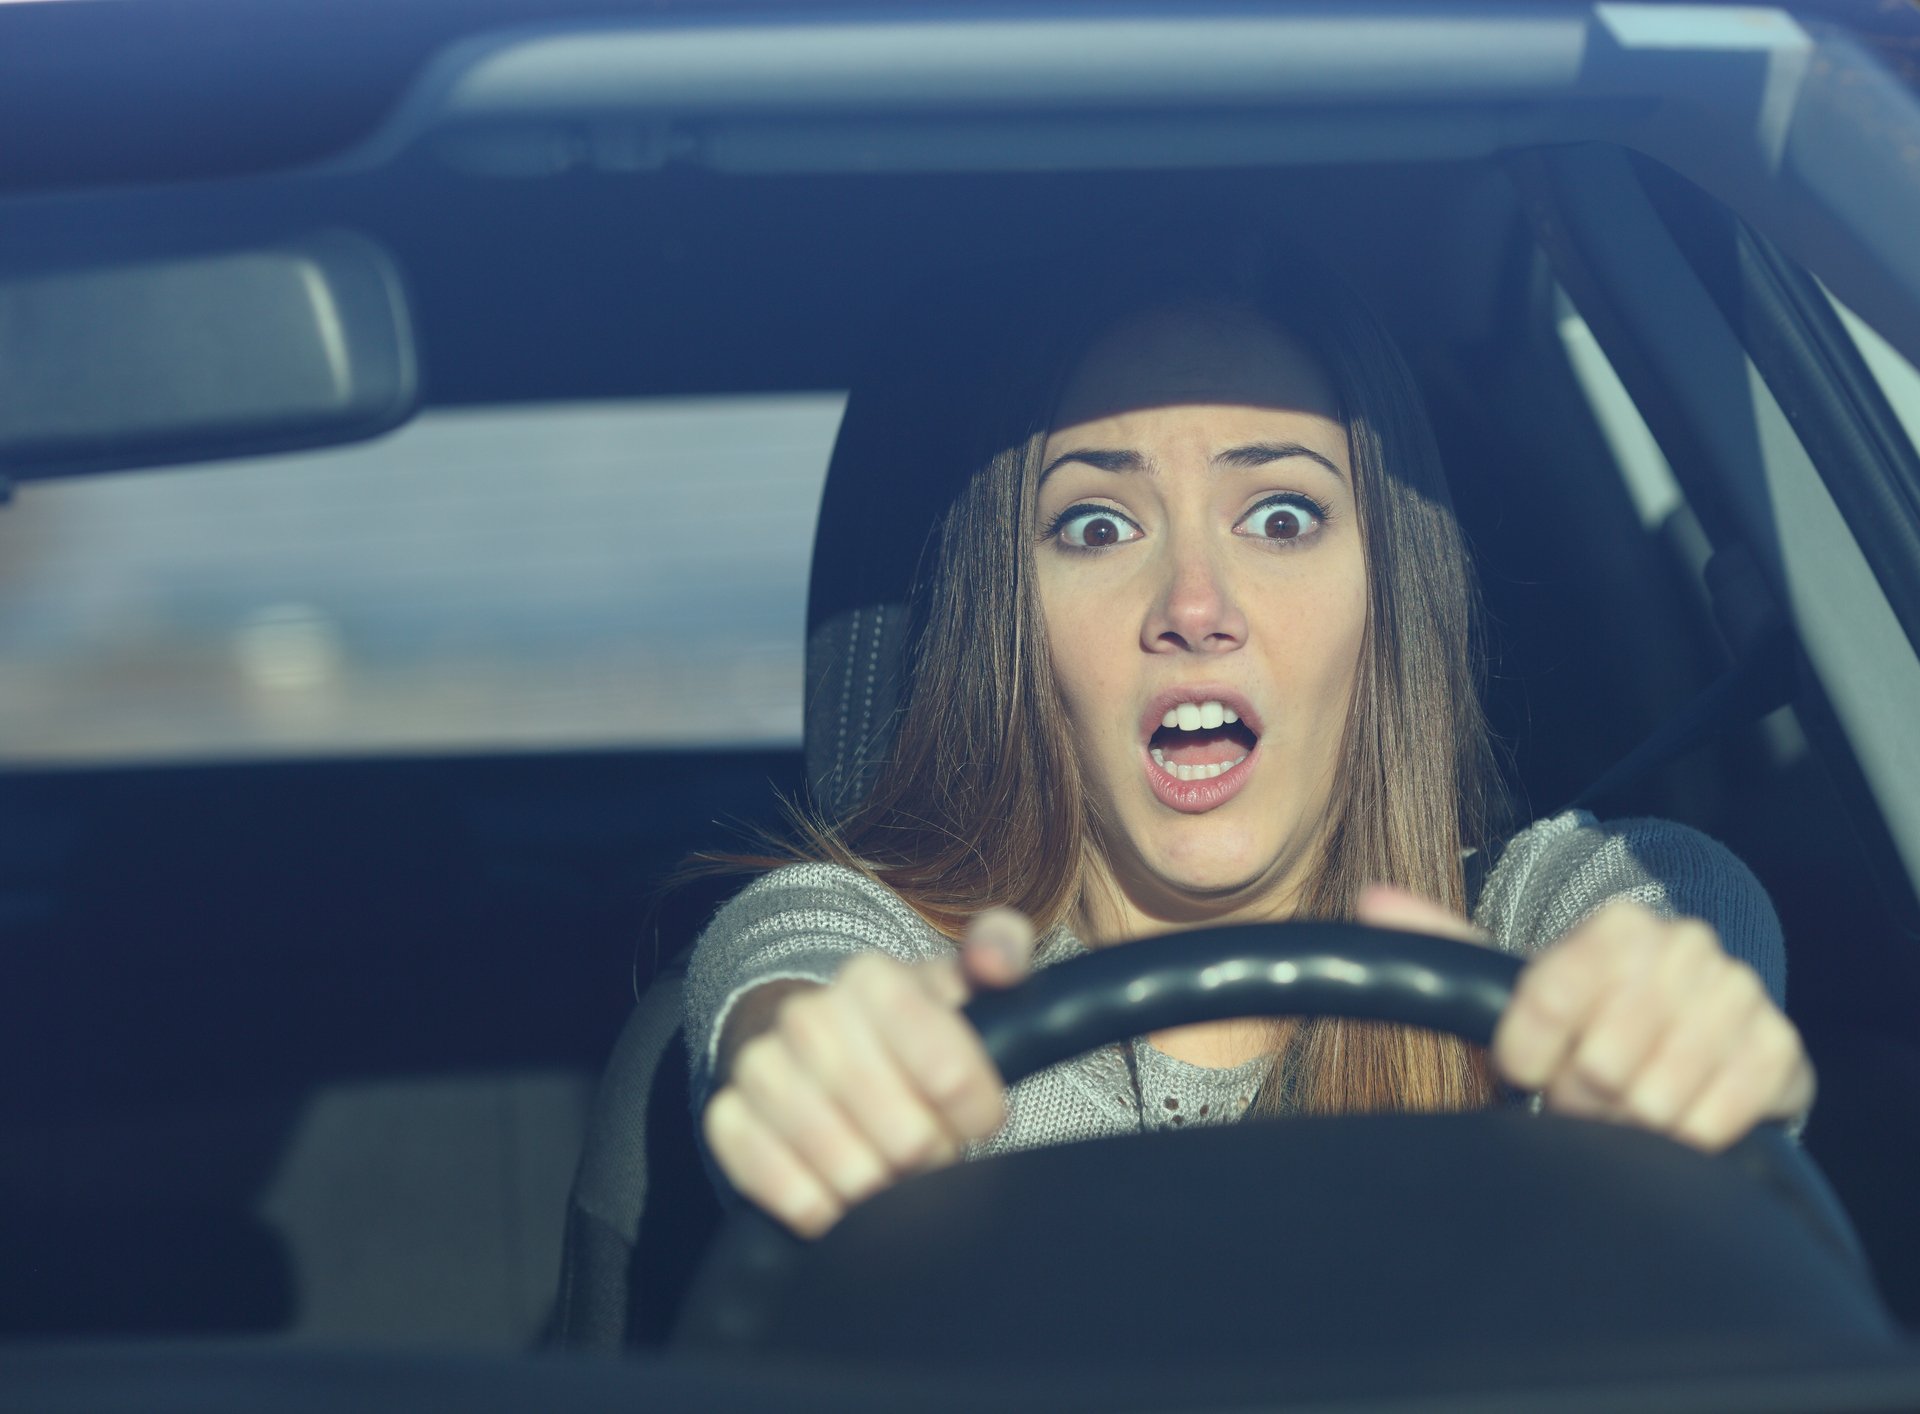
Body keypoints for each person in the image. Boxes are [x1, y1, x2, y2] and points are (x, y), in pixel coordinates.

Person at [684, 240, 1814, 1239]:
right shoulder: (905, 969)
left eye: (1281, 516)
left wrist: (1668, 1032)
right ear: (1014, 623)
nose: (1193, 602)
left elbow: (1661, 913)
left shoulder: (1531, 924)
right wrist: (819, 1064)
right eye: (1096, 523)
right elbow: (795, 965)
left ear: (1388, 602)